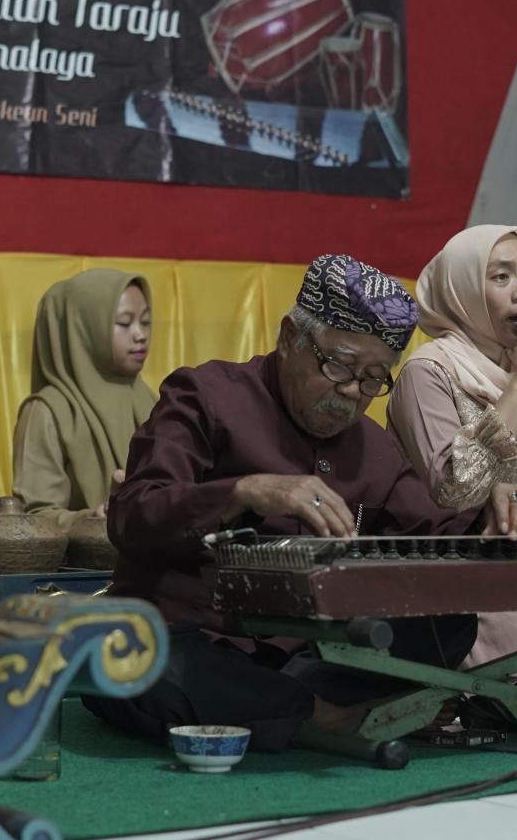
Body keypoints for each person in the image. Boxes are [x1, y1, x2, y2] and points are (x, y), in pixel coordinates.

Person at [88, 254, 485, 752]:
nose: (351, 392)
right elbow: (135, 514)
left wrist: (498, 515)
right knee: (132, 659)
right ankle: (325, 717)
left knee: (448, 620)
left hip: (307, 658)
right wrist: (243, 491)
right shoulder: (204, 397)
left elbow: (438, 534)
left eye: (372, 378)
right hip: (193, 641)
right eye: (338, 365)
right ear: (289, 337)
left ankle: (294, 709)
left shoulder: (374, 449)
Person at [387, 225, 517, 669]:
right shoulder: (428, 373)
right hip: (466, 598)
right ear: (462, 290)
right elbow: (456, 487)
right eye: (501, 277)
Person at [12, 269, 157, 529]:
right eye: (124, 323)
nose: (140, 334)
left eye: (145, 322)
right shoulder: (48, 411)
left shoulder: (154, 403)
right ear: (82, 330)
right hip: (87, 555)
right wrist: (91, 519)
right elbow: (34, 517)